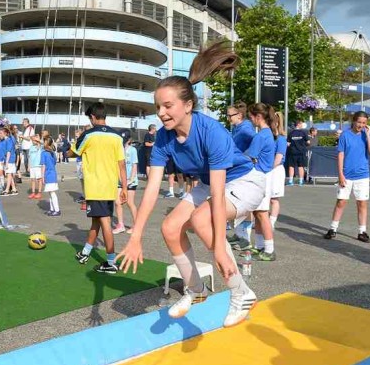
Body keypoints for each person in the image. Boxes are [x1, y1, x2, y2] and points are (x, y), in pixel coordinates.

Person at [118, 41, 262, 327]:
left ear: (188, 105)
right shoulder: (163, 138)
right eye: (158, 106)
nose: (161, 112)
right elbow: (151, 190)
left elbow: (219, 195)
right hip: (212, 183)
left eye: (168, 105)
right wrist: (136, 235)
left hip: (245, 180)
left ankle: (240, 291)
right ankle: (196, 289)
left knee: (201, 220)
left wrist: (219, 245)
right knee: (170, 227)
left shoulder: (212, 132)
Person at [69, 103, 127, 274]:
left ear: (93, 117)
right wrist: (124, 188)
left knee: (105, 222)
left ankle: (111, 262)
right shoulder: (116, 136)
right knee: (97, 220)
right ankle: (86, 253)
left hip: (95, 186)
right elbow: (122, 164)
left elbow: (73, 152)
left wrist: (58, 150)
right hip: (109, 186)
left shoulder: (88, 135)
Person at [324, 111, 370, 242]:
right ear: (354, 121)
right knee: (341, 201)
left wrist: (368, 135)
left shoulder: (365, 135)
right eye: (359, 122)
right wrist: (341, 174)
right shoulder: (345, 135)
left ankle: (362, 231)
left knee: (362, 203)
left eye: (364, 123)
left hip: (362, 175)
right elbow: (340, 155)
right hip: (347, 175)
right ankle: (333, 229)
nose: (361, 125)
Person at [244, 103, 278, 261]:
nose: (251, 120)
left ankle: (270, 250)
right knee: (257, 213)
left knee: (262, 214)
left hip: (261, 177)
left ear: (258, 117)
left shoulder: (261, 135)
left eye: (251, 117)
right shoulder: (267, 133)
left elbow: (248, 157)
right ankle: (259, 246)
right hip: (263, 175)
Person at [227, 102, 256, 248]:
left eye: (230, 115)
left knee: (243, 204)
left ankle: (245, 237)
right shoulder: (237, 128)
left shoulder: (245, 128)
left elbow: (255, 141)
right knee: (235, 202)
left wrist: (249, 156)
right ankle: (238, 234)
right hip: (235, 168)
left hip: (243, 169)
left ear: (239, 115)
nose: (228, 118)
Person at [113, 130, 139, 235]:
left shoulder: (132, 150)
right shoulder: (118, 150)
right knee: (117, 202)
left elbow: (134, 166)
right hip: (120, 180)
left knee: (129, 202)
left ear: (129, 140)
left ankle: (137, 225)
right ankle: (120, 225)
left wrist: (130, 179)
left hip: (130, 181)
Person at [270, 113, 287, 230]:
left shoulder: (281, 139)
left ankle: (271, 222)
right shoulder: (269, 137)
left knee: (274, 199)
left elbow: (278, 158)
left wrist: (267, 167)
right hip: (268, 169)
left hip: (276, 170)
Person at [40, 136, 61, 216]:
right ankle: (52, 209)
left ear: (45, 143)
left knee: (52, 193)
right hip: (53, 173)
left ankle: (57, 210)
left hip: (48, 174)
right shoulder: (52, 153)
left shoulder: (44, 153)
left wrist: (42, 176)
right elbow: (54, 163)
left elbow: (43, 166)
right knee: (51, 192)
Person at [286, 120, 309, 185]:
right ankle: (301, 181)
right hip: (301, 152)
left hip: (293, 152)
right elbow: (308, 142)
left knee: (291, 166)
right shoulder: (303, 133)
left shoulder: (291, 133)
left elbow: (288, 143)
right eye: (301, 124)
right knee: (301, 166)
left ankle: (290, 181)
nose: (302, 125)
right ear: (298, 124)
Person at [2, 127, 18, 195]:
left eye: (1, 133)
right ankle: (14, 189)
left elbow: (8, 152)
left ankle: (7, 190)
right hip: (9, 159)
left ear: (5, 133)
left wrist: (7, 162)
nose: (0, 134)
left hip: (10, 159)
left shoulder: (9, 140)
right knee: (10, 174)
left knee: (9, 174)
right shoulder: (9, 139)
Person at [28, 134, 44, 199]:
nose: (32, 141)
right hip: (32, 166)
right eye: (32, 140)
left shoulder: (40, 146)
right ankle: (33, 192)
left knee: (39, 179)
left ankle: (39, 192)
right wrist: (29, 166)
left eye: (34, 140)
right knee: (32, 179)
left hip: (38, 166)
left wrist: (37, 140)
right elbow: (29, 157)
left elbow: (42, 143)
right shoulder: (31, 147)